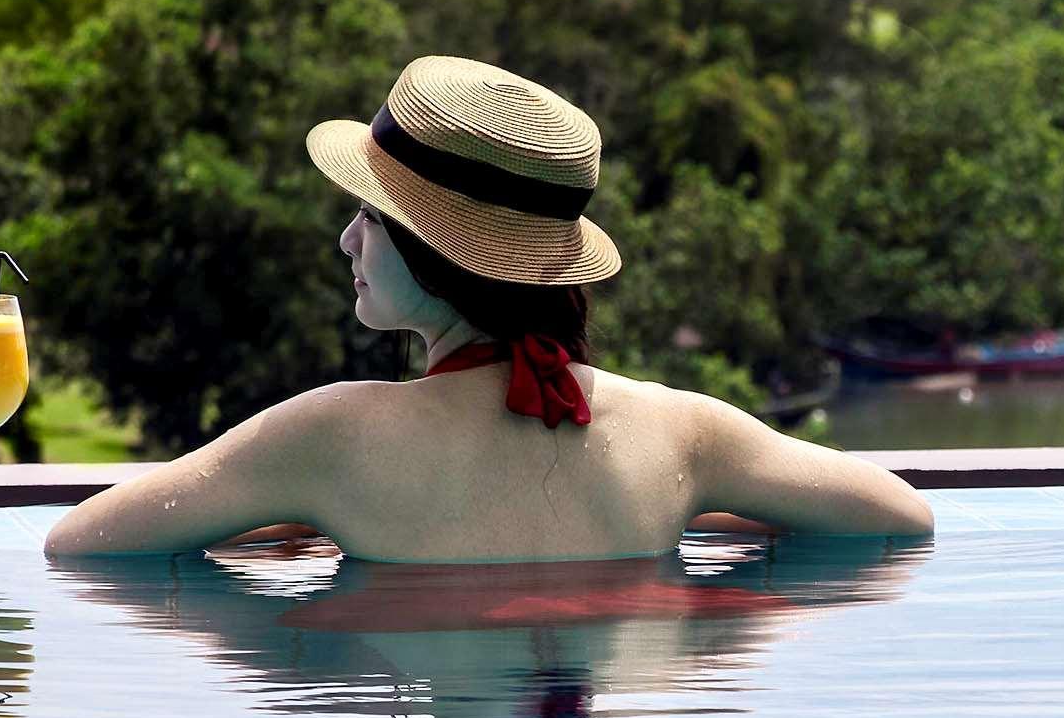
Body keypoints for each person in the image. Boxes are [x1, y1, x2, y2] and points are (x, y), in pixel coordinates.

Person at [45, 56, 934, 561]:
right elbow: (901, 517)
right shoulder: (683, 438)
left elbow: (80, 545)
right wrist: (702, 521)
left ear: (434, 248)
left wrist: (292, 537)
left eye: (367, 216)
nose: (346, 243)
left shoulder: (330, 441)